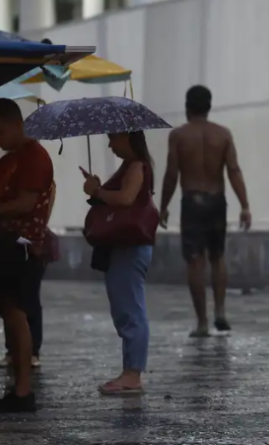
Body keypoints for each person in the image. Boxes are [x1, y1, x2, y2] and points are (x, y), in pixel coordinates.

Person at [0, 98, 54, 413]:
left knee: (17, 313)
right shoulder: (6, 161)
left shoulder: (35, 157)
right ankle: (19, 389)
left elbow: (25, 203)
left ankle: (23, 390)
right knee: (8, 311)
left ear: (17, 124)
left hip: (19, 246)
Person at [159, 85, 251, 337]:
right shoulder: (223, 135)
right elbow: (234, 170)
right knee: (217, 256)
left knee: (195, 261)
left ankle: (202, 322)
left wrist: (163, 206)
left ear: (187, 107)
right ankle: (220, 311)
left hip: (192, 201)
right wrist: (244, 206)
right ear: (209, 107)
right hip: (216, 200)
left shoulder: (178, 136)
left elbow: (171, 174)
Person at [83, 131, 155, 394]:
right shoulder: (129, 167)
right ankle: (129, 371)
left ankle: (132, 374)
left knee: (130, 309)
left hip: (129, 246)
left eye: (114, 137)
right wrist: (98, 189)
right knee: (124, 307)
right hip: (123, 247)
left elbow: (126, 199)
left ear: (128, 137)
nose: (110, 144)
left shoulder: (137, 166)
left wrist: (98, 191)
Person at [0, 182, 56, 370]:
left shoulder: (40, 180)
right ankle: (14, 351)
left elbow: (38, 211)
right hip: (10, 242)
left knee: (28, 298)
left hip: (31, 244)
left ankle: (30, 352)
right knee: (11, 300)